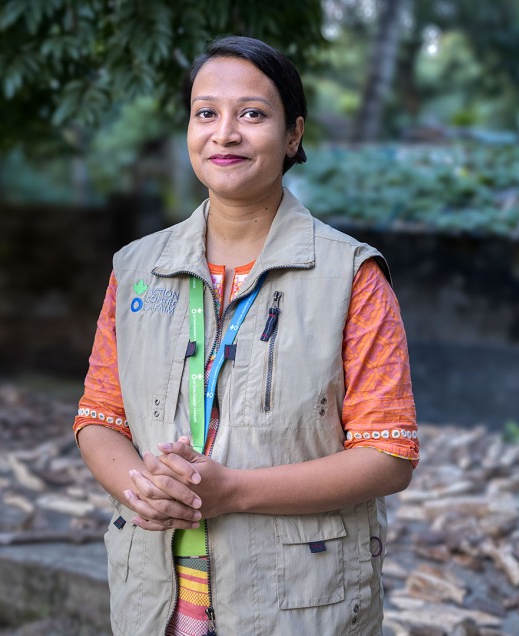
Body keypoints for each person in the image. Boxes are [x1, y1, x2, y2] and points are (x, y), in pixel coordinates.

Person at [74, 35, 418, 636]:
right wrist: (143, 489)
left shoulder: (351, 277)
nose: (225, 134)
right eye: (206, 113)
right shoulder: (136, 270)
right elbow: (99, 417)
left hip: (298, 606)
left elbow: (387, 454)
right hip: (154, 603)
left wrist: (232, 491)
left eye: (252, 114)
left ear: (293, 135)